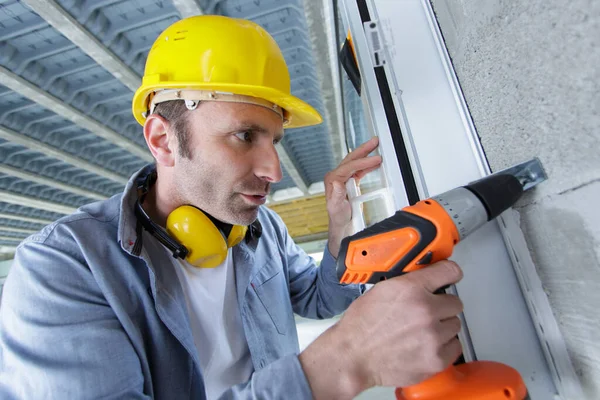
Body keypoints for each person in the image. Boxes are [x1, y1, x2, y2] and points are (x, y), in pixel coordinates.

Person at [0, 15, 464, 399]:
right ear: (163, 138)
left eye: (275, 141)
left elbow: (321, 299)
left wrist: (339, 226)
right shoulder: (62, 266)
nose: (275, 171)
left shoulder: (264, 229)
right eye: (245, 136)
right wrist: (343, 362)